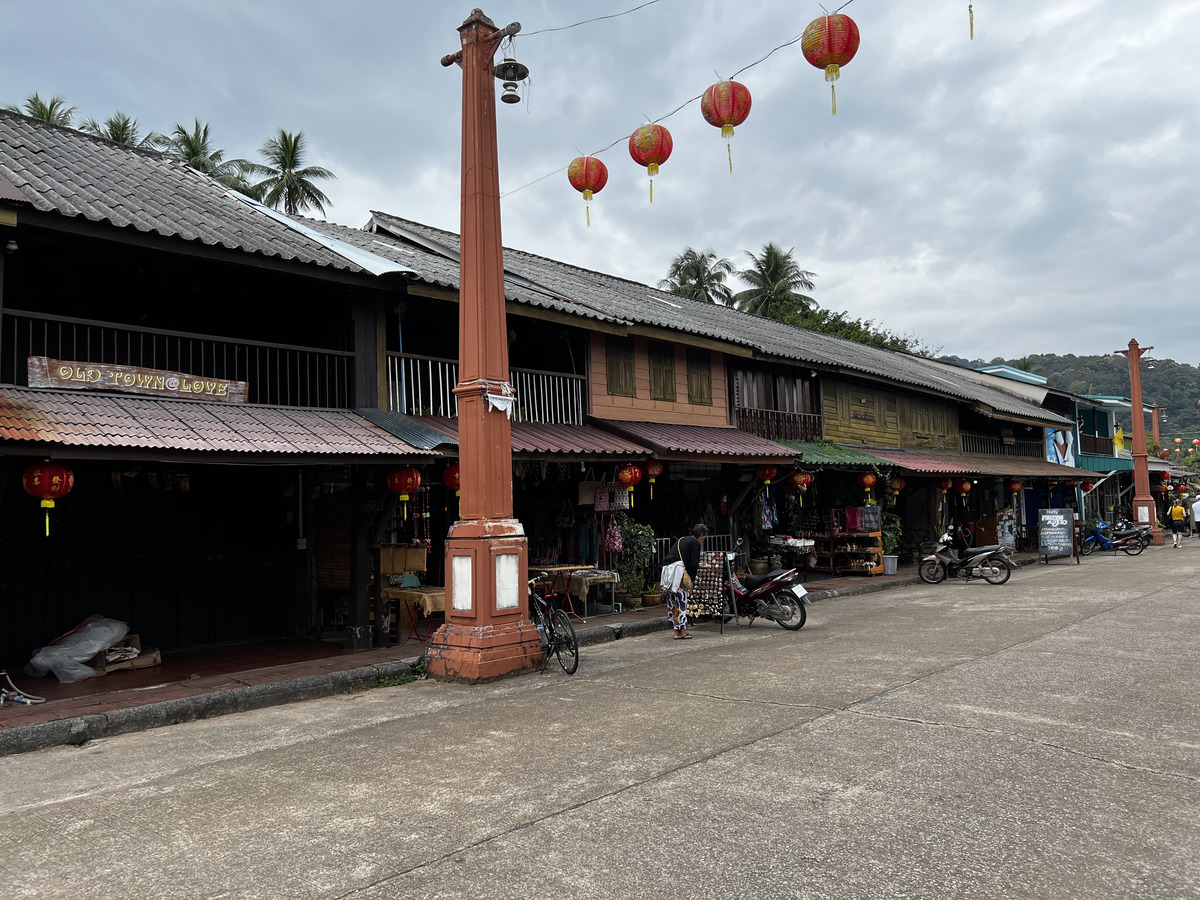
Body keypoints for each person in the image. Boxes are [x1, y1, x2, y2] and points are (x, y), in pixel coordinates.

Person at [660, 523, 707, 640]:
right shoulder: (695, 543)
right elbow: (692, 563)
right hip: (678, 573)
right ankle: (683, 631)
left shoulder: (682, 540)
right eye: (703, 537)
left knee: (673, 603)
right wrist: (698, 569)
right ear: (701, 534)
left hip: (668, 571)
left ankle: (677, 632)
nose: (702, 540)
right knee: (681, 601)